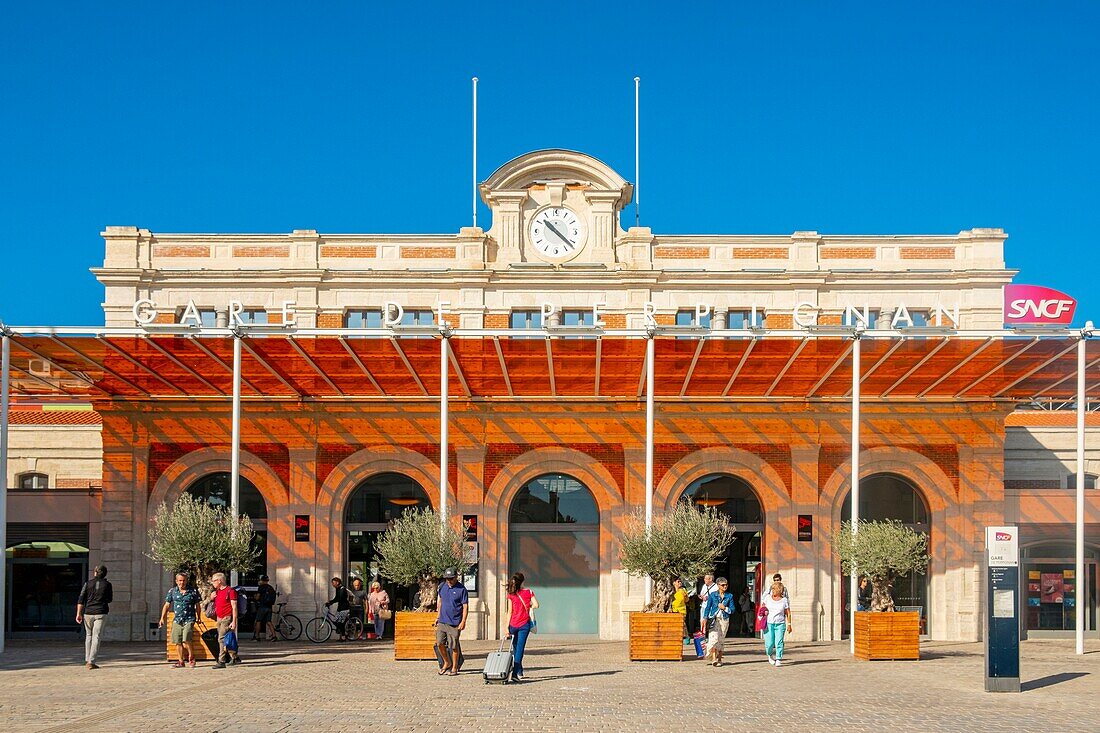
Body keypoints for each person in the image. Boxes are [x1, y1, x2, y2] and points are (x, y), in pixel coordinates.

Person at [159, 572, 202, 668]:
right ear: (176, 581)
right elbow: (167, 605)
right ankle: (181, 661)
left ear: (186, 581)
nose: (182, 583)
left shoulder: (193, 591)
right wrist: (162, 618)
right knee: (177, 641)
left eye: (183, 580)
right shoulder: (172, 591)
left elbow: (198, 605)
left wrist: (199, 617)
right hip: (177, 619)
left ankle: (191, 657)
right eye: (180, 580)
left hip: (189, 618)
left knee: (186, 639)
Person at [75, 565, 112, 670]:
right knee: (96, 636)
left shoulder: (87, 584)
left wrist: (78, 613)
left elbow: (81, 599)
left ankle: (87, 659)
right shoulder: (107, 585)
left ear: (95, 572)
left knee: (89, 636)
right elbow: (109, 599)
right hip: (101, 612)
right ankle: (92, 661)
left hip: (88, 612)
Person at [505, 572, 539, 682]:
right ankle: (515, 673)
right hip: (524, 625)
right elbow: (537, 605)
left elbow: (509, 611)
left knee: (516, 648)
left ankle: (519, 670)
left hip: (513, 624)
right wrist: (529, 606)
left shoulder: (511, 594)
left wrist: (506, 628)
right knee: (519, 649)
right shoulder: (529, 592)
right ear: (523, 582)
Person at [435, 567, 468, 676]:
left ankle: (454, 667)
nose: (449, 581)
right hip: (442, 621)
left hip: (455, 622)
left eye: (451, 578)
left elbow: (465, 606)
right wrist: (438, 616)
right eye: (447, 579)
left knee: (453, 646)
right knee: (439, 643)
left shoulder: (461, 589)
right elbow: (440, 602)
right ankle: (446, 662)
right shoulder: (442, 587)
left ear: (456, 577)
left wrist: (463, 621)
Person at [208, 572, 240, 668]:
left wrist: (234, 621)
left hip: (227, 617)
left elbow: (234, 607)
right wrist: (211, 598)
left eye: (214, 581)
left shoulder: (230, 591)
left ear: (219, 581)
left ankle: (221, 661)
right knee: (227, 638)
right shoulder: (217, 592)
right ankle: (234, 657)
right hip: (219, 617)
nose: (212, 583)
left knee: (221, 639)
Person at [700, 577, 734, 667]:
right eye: (723, 585)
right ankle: (714, 658)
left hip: (724, 619)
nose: (725, 586)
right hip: (714, 619)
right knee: (713, 638)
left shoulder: (729, 596)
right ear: (718, 585)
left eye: (726, 584)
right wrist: (705, 618)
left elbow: (733, 609)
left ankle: (719, 658)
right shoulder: (712, 595)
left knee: (721, 639)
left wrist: (725, 608)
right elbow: (708, 607)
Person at [762, 580, 792, 667]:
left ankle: (778, 658)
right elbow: (762, 609)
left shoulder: (784, 600)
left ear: (779, 590)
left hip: (780, 623)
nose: (772, 591)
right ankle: (770, 654)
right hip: (769, 623)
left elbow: (788, 613)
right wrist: (763, 613)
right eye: (772, 589)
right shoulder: (767, 598)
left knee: (779, 641)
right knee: (769, 643)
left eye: (774, 589)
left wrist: (789, 624)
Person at [253, 575, 277, 641]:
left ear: (262, 580)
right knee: (269, 621)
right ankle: (274, 636)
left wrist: (255, 597)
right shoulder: (270, 587)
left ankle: (257, 636)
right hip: (269, 607)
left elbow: (258, 597)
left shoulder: (261, 587)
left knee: (258, 621)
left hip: (262, 606)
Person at [670, 577, 689, 642]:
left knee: (682, 624)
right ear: (674, 583)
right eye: (678, 581)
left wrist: (685, 596)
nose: (680, 583)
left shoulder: (683, 590)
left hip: (681, 610)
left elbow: (687, 600)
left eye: (680, 581)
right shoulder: (671, 590)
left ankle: (686, 637)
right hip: (673, 610)